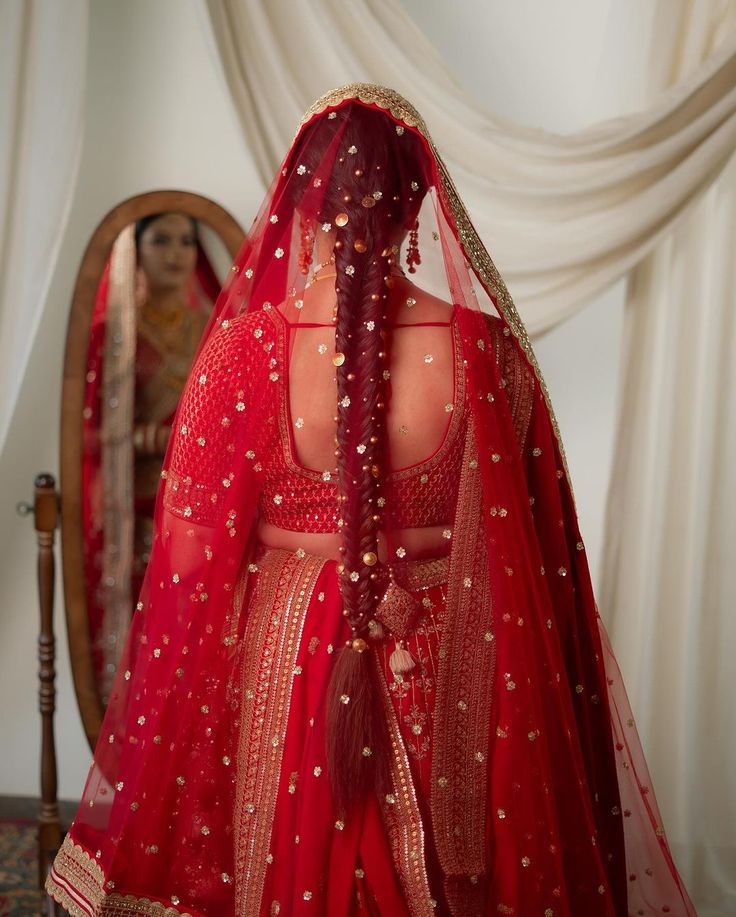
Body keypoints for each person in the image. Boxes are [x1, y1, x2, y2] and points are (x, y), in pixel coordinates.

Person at [47, 84, 696, 916]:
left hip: (286, 658)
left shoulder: (241, 354)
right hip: (446, 656)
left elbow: (183, 563)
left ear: (299, 200)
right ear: (418, 203)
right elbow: (536, 558)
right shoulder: (484, 352)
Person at [82, 213, 219, 700]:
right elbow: (86, 433)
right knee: (147, 626)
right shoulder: (114, 333)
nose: (177, 252)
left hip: (204, 506)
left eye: (186, 241)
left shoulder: (214, 328)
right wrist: (148, 440)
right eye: (161, 240)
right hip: (138, 508)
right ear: (134, 252)